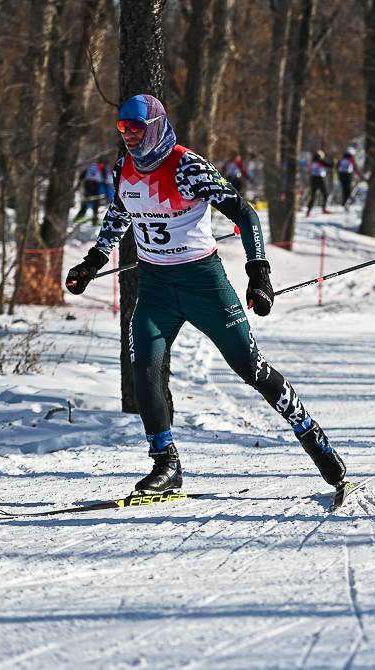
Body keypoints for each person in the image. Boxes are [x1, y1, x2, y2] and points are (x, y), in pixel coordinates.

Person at [64, 94, 348, 494]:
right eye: (122, 129)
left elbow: (245, 214)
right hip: (156, 286)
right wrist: (91, 263)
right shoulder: (122, 169)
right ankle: (166, 463)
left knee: (251, 368)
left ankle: (311, 435)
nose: (128, 137)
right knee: (143, 363)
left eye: (136, 129)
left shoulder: (187, 166)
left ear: (157, 127)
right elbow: (118, 214)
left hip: (204, 284)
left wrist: (259, 275)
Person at [74, 160, 104, 225]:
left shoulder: (90, 166)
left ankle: (81, 216)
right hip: (95, 184)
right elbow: (104, 178)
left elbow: (82, 175)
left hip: (87, 184)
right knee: (95, 202)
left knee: (87, 200)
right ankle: (94, 219)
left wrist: (78, 185)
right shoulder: (100, 167)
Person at [306, 150, 330, 215]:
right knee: (325, 194)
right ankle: (324, 208)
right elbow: (329, 165)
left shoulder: (312, 161)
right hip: (320, 179)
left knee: (313, 196)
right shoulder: (320, 161)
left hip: (313, 178)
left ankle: (308, 211)